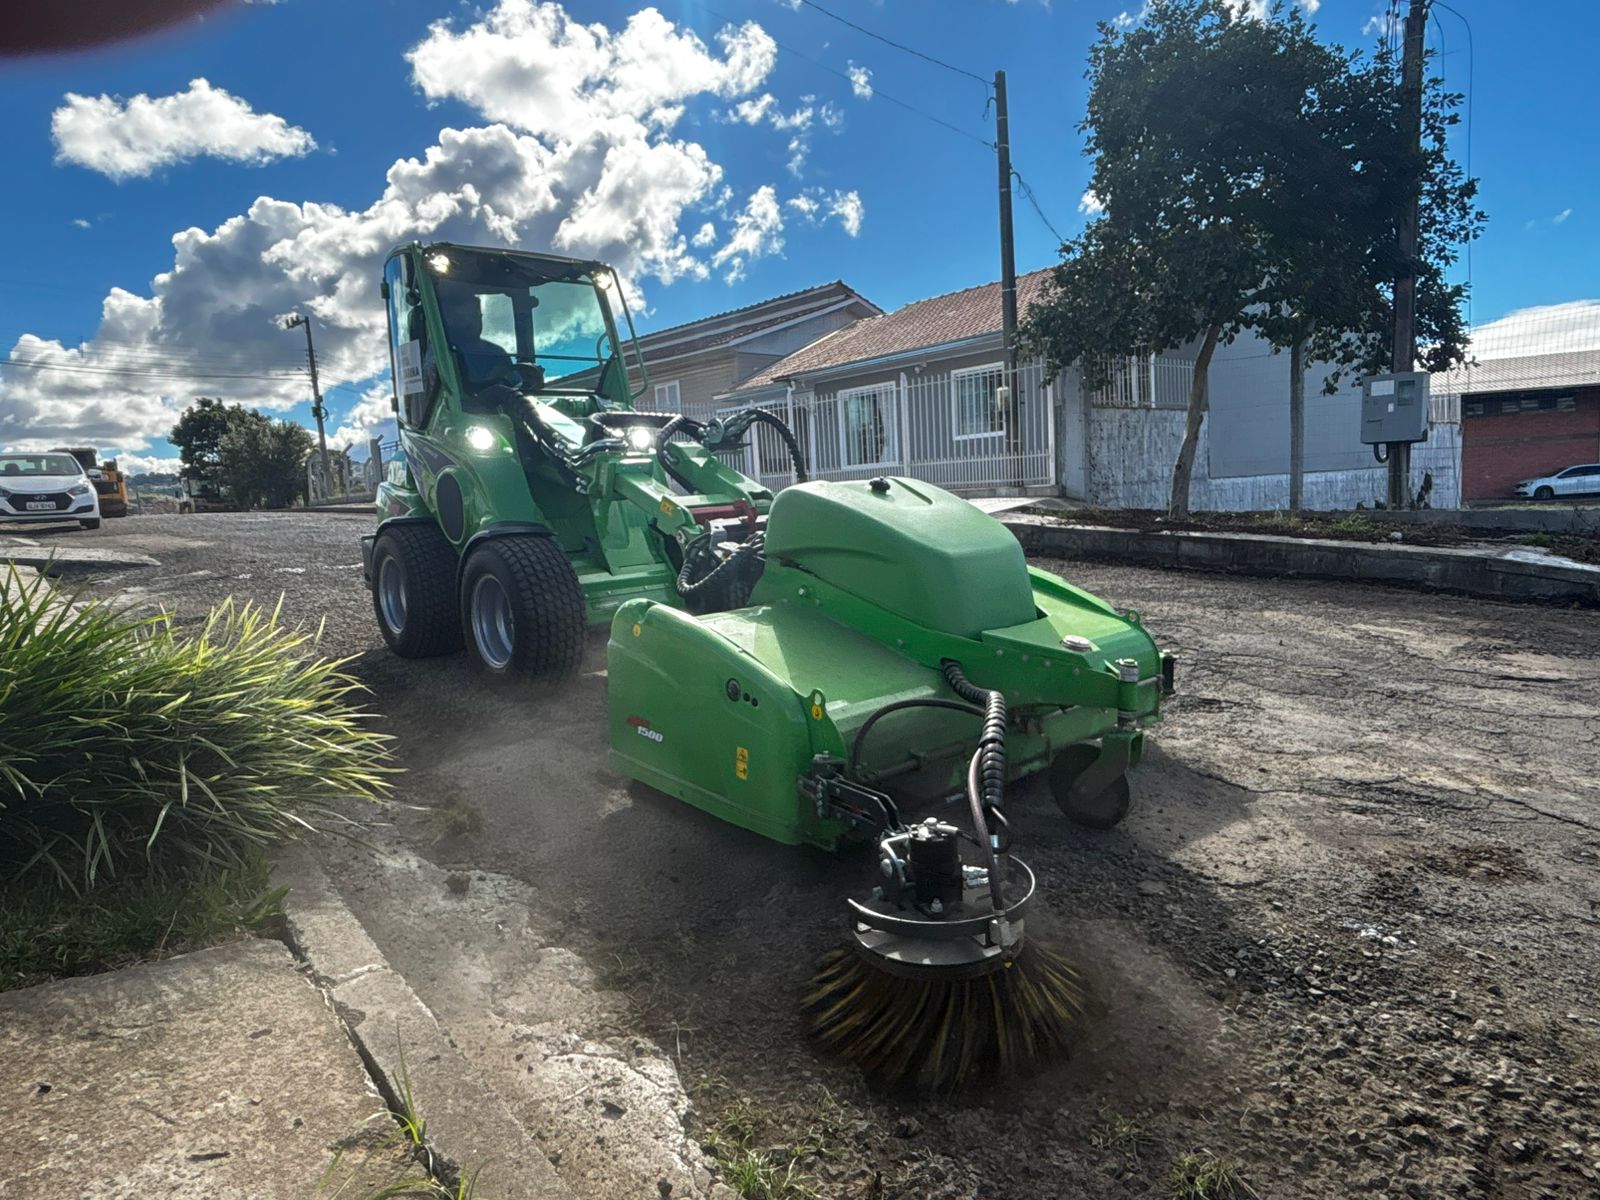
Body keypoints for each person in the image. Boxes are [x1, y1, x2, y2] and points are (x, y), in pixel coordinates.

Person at [435, 284, 515, 393]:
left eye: (474, 315)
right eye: (463, 317)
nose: (471, 322)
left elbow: (514, 385)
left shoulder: (496, 353)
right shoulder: (440, 352)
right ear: (449, 319)